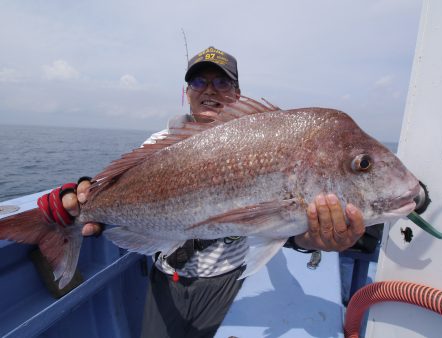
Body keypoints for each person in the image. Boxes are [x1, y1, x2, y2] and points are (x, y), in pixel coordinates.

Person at [42, 46, 365, 337]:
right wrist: (85, 192)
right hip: (166, 277)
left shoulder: (261, 139)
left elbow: (281, 225)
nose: (209, 90)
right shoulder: (157, 144)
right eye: (199, 82)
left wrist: (312, 238)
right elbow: (121, 185)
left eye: (221, 82)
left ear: (237, 94)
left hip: (227, 281)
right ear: (187, 93)